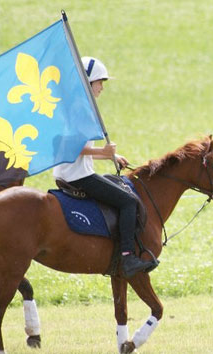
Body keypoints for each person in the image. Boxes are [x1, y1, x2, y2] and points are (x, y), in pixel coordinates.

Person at [53, 56, 153, 278]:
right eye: (100, 82)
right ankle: (127, 257)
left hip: (74, 172)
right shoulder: (81, 109)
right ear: (87, 82)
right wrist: (103, 152)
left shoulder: (74, 106)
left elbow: (78, 149)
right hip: (78, 176)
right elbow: (69, 146)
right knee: (128, 202)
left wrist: (112, 156)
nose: (102, 88)